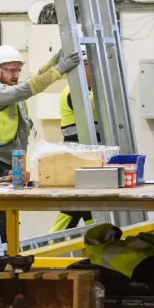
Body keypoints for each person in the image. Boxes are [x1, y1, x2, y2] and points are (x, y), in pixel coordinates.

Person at [0, 44, 80, 238]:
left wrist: (55, 60)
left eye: (18, 70)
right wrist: (59, 70)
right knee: (0, 218)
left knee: (9, 213)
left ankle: (7, 255)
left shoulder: (9, 88)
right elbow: (29, 87)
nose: (16, 74)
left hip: (9, 161)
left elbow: (34, 77)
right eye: (11, 70)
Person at [50, 61, 96, 232]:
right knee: (76, 207)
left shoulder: (88, 92)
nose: (92, 68)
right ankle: (50, 247)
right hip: (77, 162)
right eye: (89, 64)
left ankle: (100, 247)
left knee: (85, 208)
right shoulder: (72, 92)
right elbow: (90, 106)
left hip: (89, 161)